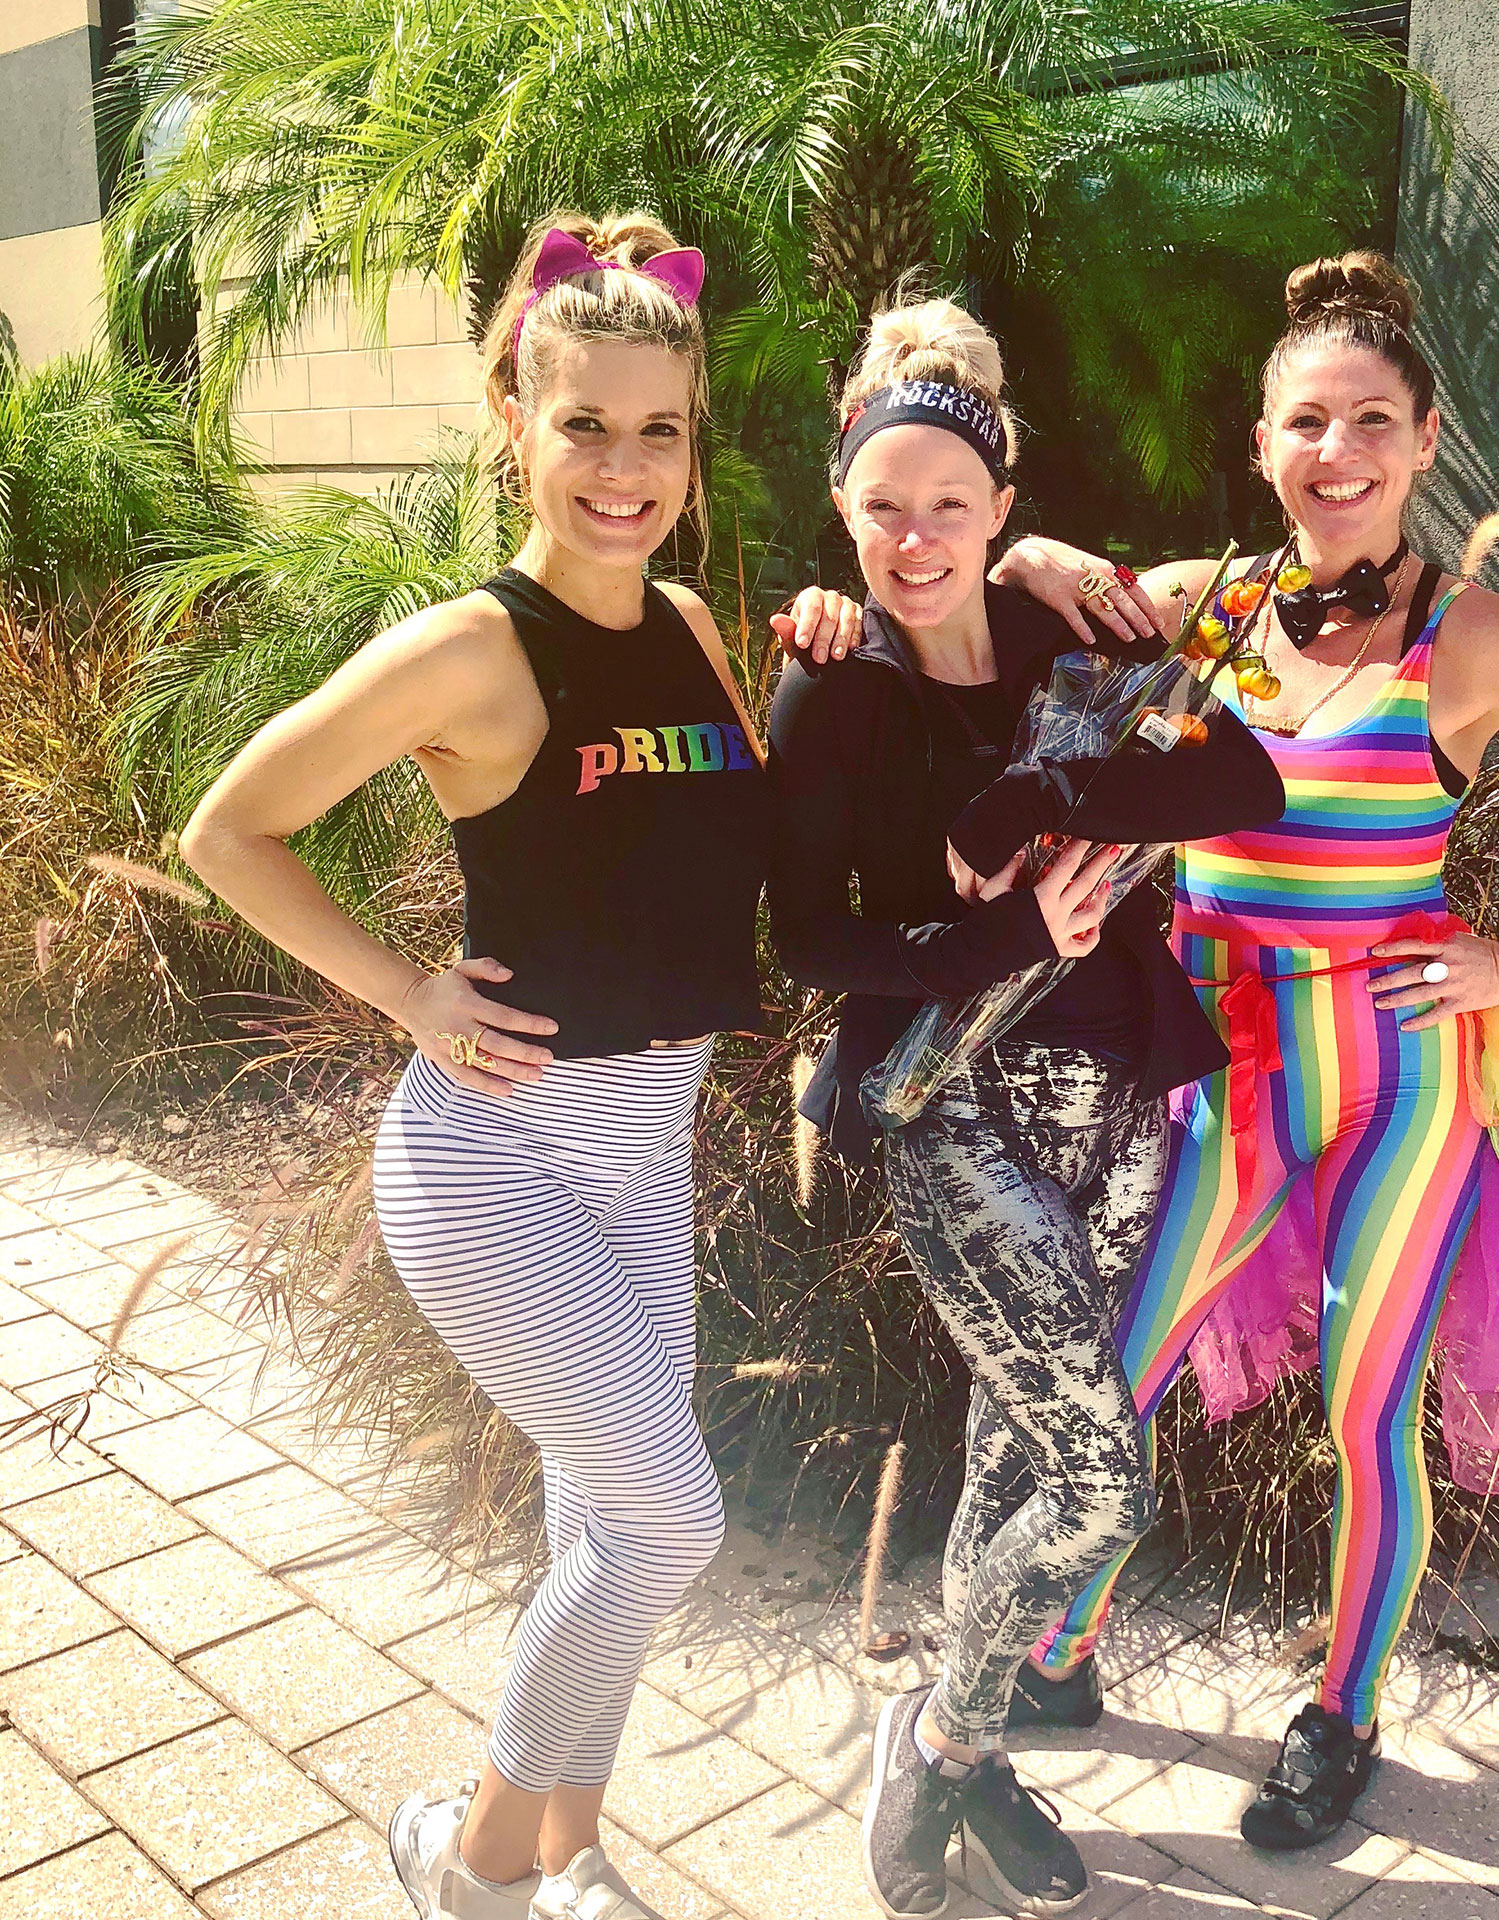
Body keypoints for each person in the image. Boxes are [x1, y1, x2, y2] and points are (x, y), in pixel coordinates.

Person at [980, 251, 1499, 1848]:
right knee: (1120, 1368)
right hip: (1225, 1074)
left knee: (1363, 1403)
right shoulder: (1206, 609)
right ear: (1262, 441)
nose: (1338, 453)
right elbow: (1007, 603)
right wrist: (1034, 545)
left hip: (1401, 1077)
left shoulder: (1478, 643)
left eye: (1372, 423)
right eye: (1308, 423)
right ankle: (1053, 1652)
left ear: (1424, 440)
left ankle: (1341, 1712)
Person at [179, 212, 857, 1920]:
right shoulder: (471, 651)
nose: (623, 468)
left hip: (639, 1156)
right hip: (492, 1166)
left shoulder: (698, 626)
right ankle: (470, 1859)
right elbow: (227, 830)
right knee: (670, 1526)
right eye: (584, 426)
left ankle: (568, 1854)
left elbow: (762, 844)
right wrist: (406, 987)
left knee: (602, 1530)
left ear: (694, 442)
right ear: (516, 424)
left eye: (659, 430)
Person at [767, 298, 1284, 1918]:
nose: (912, 539)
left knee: (1017, 1446)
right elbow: (810, 939)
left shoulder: (1079, 639)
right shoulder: (836, 690)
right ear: (843, 508)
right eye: (879, 508)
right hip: (952, 1103)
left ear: (1000, 509)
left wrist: (1053, 788)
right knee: (1099, 1482)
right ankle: (940, 1735)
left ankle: (964, 1760)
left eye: (947, 506)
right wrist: (1003, 931)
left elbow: (1239, 781)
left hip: (1118, 1085)